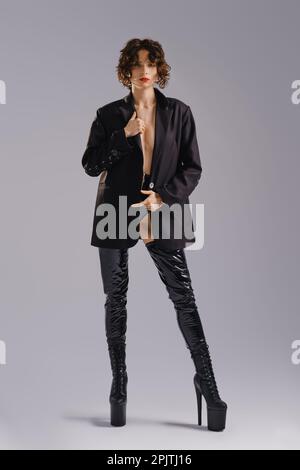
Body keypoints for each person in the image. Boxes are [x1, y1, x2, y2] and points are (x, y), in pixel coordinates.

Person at [81, 38, 227, 431]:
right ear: (126, 71)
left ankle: (209, 386)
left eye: (151, 62)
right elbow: (91, 166)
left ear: (159, 69)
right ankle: (120, 385)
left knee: (184, 299)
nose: (144, 69)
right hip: (116, 209)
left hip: (163, 208)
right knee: (116, 300)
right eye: (137, 63)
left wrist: (163, 197)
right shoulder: (109, 115)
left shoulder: (179, 112)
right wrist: (122, 136)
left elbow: (193, 168)